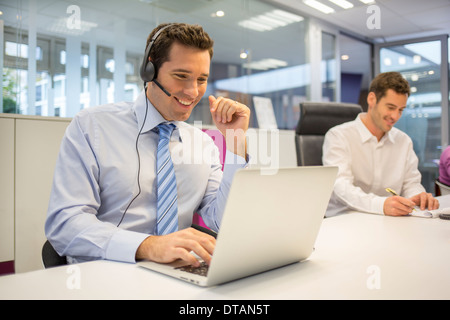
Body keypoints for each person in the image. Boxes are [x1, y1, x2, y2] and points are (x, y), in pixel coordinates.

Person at [45, 23, 250, 267]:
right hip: (104, 272)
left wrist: (236, 140)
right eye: (181, 76)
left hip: (177, 274)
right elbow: (65, 223)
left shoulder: (203, 144)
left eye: (201, 79)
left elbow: (221, 221)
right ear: (149, 69)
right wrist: (148, 246)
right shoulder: (92, 126)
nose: (193, 91)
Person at [322, 71, 439, 217]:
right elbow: (341, 186)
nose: (395, 116)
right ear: (372, 99)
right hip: (345, 219)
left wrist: (418, 196)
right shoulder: (339, 136)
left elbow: (410, 183)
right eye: (390, 107)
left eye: (400, 110)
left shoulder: (403, 141)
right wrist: (381, 205)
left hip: (388, 219)